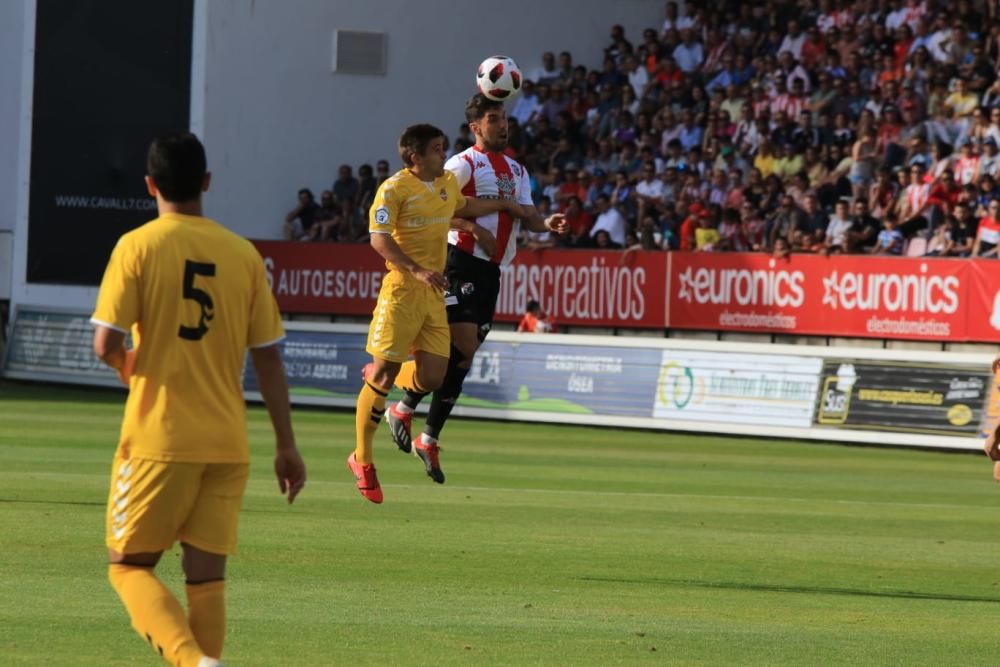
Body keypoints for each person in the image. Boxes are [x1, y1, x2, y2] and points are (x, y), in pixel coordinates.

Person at [90, 132, 306, 667]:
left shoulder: (138, 246)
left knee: (129, 566)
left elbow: (106, 344)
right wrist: (287, 447)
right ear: (206, 183)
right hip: (227, 443)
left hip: (159, 437)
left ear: (149, 185)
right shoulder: (244, 255)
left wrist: (127, 366)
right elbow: (269, 359)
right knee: (206, 581)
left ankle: (194, 661)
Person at [382, 95, 568, 486]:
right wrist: (471, 228)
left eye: (504, 119)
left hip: (491, 271)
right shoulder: (461, 164)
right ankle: (404, 400)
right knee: (463, 344)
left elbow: (526, 215)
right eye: (494, 119)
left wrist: (547, 223)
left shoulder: (517, 170)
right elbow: (437, 208)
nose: (503, 125)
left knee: (463, 359)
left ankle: (424, 432)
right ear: (476, 128)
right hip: (457, 261)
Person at [351, 121, 530, 503]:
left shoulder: (447, 184)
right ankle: (362, 460)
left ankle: (391, 374)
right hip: (402, 292)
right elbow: (378, 239)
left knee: (433, 375)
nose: (443, 153)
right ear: (415, 156)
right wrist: (414, 269)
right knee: (383, 373)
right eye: (436, 148)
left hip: (433, 295)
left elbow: (465, 206)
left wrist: (501, 206)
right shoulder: (393, 189)